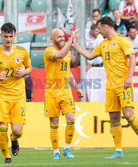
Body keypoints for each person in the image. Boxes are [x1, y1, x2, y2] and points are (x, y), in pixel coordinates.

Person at [72, 16, 138, 159]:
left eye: (99, 28)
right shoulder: (103, 44)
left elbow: (132, 58)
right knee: (114, 117)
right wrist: (75, 45)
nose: (98, 30)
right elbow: (90, 56)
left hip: (123, 83)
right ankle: (118, 150)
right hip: (110, 86)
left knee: (128, 114)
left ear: (106, 27)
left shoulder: (122, 40)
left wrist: (129, 77)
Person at [0, 23, 32, 164]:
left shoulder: (22, 51)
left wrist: (23, 73)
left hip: (19, 96)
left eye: (11, 36)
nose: (8, 39)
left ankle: (14, 139)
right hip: (2, 95)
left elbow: (29, 68)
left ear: (15, 35)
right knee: (2, 128)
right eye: (6, 36)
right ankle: (6, 157)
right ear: (1, 35)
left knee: (17, 130)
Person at [44, 28, 84, 159]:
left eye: (63, 36)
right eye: (59, 37)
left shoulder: (67, 52)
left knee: (71, 119)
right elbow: (59, 55)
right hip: (52, 93)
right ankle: (56, 152)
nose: (62, 38)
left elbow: (68, 73)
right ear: (52, 39)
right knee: (54, 122)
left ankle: (67, 148)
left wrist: (77, 88)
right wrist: (71, 40)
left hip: (66, 92)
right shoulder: (49, 51)